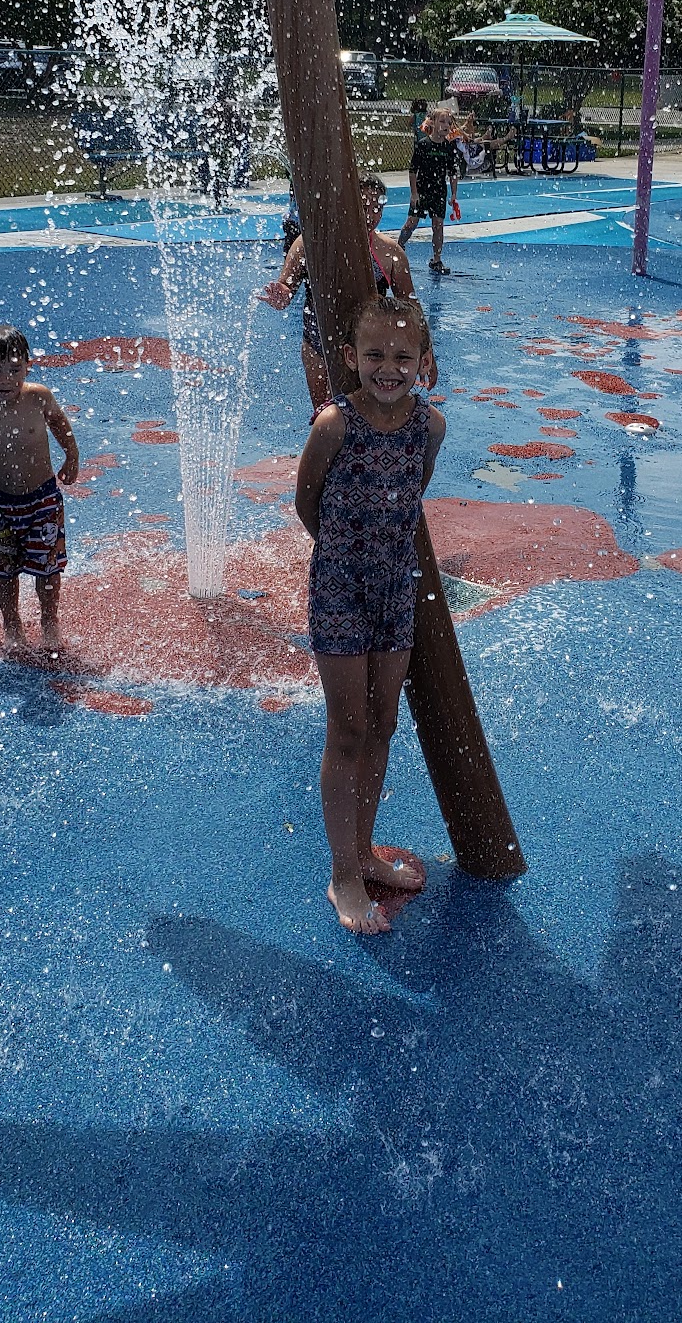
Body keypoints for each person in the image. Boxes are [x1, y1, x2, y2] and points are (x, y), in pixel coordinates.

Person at [295, 294, 446, 934]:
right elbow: (307, 502)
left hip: (395, 589)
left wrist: (381, 557)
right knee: (348, 729)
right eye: (375, 354)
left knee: (383, 722)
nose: (389, 368)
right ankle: (343, 875)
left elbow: (414, 492)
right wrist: (344, 555)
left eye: (403, 356)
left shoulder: (429, 427)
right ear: (351, 356)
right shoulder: (334, 425)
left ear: (424, 362)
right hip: (340, 590)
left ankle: (363, 850)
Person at [0, 324, 80, 654]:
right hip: (0, 503)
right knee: (4, 568)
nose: (5, 379)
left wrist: (72, 456)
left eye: (15, 370)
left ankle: (49, 621)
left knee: (47, 566)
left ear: (28, 367)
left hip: (42, 498)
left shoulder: (38, 397)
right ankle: (12, 624)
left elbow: (59, 423)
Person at [263, 174, 418, 411]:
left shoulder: (390, 253)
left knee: (364, 413)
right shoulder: (310, 244)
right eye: (363, 207)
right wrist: (281, 295)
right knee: (324, 412)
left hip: (367, 345)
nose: (370, 215)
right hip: (317, 340)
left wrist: (425, 351)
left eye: (377, 208)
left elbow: (410, 309)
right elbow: (286, 287)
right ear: (345, 204)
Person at [399, 109, 463, 273]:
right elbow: (413, 170)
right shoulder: (423, 144)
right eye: (442, 121)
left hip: (439, 191)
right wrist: (414, 193)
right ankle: (399, 246)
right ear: (433, 122)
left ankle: (437, 259)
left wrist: (453, 194)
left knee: (438, 225)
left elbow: (453, 173)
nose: (446, 125)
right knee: (412, 222)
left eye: (449, 123)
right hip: (422, 191)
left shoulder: (448, 147)